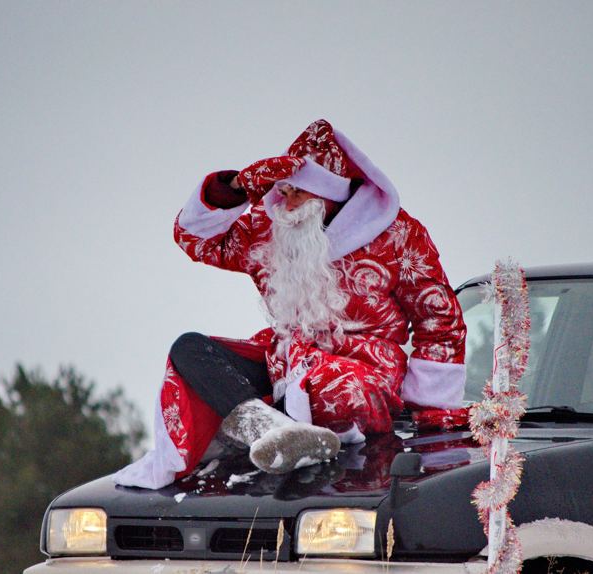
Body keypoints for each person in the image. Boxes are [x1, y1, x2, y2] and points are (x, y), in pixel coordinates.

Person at [113, 120, 466, 489]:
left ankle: (259, 429)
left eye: (299, 192)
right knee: (190, 349)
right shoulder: (272, 227)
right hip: (284, 363)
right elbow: (194, 238)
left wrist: (431, 410)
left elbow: (438, 319)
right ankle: (266, 429)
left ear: (330, 195)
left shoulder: (397, 233)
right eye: (283, 190)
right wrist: (238, 187)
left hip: (364, 371)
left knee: (335, 389)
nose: (287, 201)